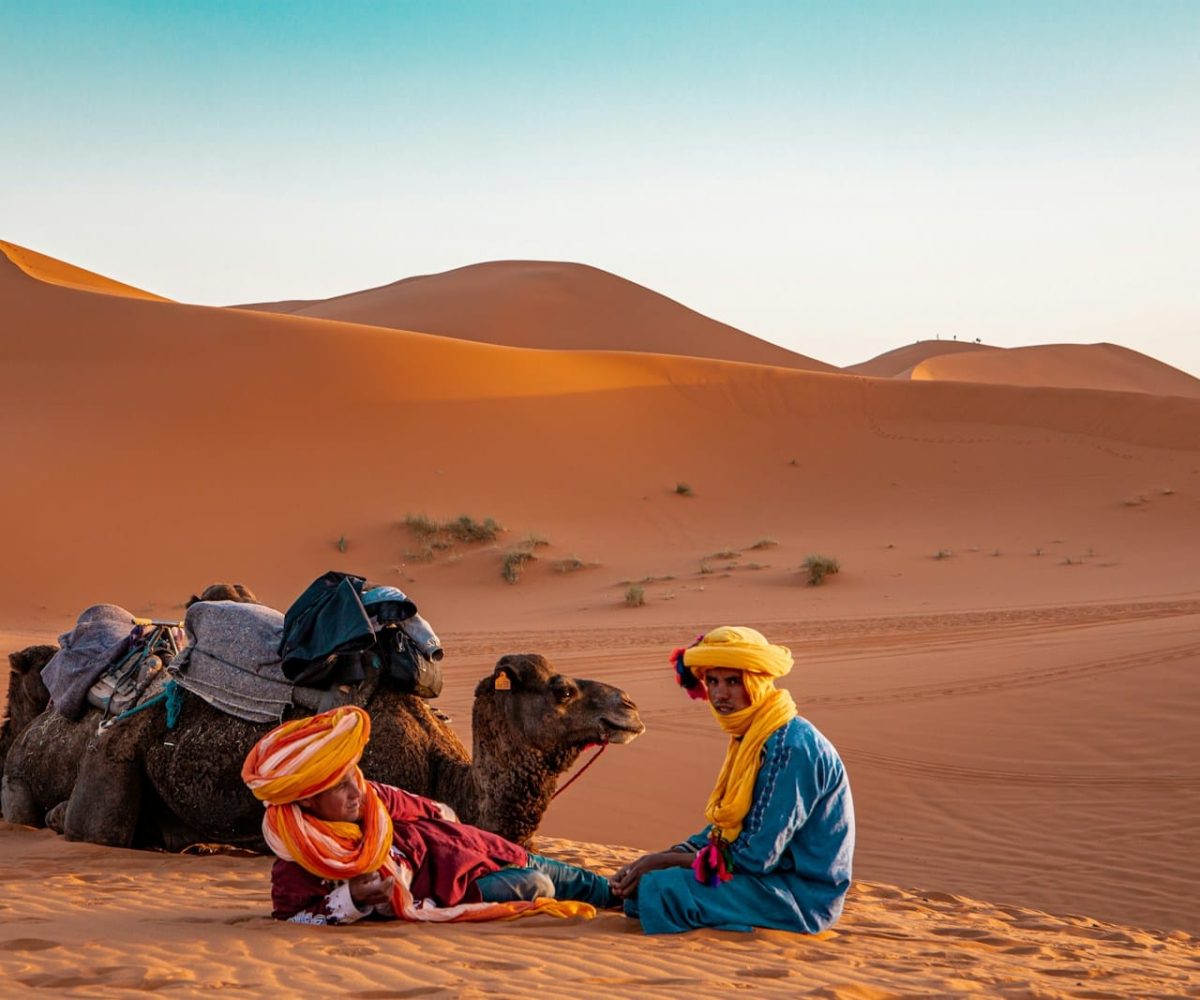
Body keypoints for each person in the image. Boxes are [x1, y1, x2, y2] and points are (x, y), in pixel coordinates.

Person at [241, 705, 615, 925]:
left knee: (598, 887)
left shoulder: (376, 797)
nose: (357, 791)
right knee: (540, 886)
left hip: (480, 849)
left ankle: (642, 892)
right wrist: (354, 898)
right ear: (306, 799)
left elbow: (438, 812)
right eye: (339, 786)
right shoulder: (300, 857)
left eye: (353, 776)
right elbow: (294, 918)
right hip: (459, 887)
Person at [610, 626, 854, 934]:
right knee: (642, 886)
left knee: (661, 890)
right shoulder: (753, 736)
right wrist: (659, 858)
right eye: (712, 681)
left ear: (758, 682)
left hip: (800, 897)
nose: (720, 694)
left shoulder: (789, 747)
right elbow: (726, 832)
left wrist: (666, 861)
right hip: (767, 881)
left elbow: (757, 855)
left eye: (733, 681)